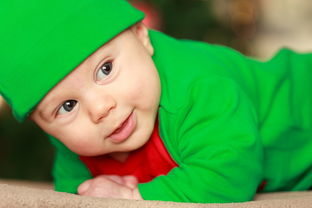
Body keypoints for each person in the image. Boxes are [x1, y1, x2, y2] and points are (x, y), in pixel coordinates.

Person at [1, 0, 312, 203]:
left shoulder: (199, 87)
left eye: (105, 69)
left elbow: (230, 172)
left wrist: (138, 196)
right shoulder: (75, 139)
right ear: (41, 123)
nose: (99, 109)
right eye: (67, 106)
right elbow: (75, 192)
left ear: (142, 37)